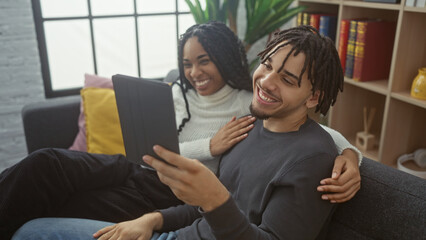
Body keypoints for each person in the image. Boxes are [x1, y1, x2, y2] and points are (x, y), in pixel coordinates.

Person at [2, 23, 360, 239]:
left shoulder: (255, 112)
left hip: (165, 196)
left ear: (313, 96)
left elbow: (320, 138)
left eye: (286, 78)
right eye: (266, 65)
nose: (267, 81)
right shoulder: (254, 122)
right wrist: (153, 220)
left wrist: (351, 156)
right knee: (46, 165)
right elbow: (209, 207)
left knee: (33, 228)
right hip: (145, 181)